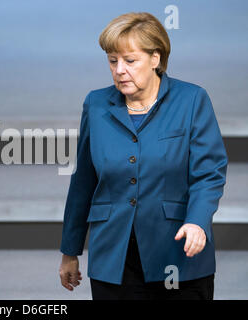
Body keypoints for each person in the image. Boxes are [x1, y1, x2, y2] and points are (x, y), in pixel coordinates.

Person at [59, 12, 227, 300]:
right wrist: (69, 251)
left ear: (155, 59)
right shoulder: (96, 104)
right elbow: (83, 182)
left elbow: (209, 173)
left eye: (130, 60)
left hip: (177, 254)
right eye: (113, 61)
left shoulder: (192, 100)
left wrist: (198, 221)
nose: (119, 70)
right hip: (113, 259)